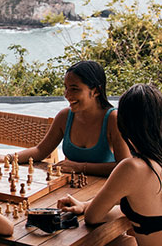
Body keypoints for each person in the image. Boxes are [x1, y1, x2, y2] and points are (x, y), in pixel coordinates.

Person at [57, 84, 162, 246]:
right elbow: (144, 202)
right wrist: (85, 205)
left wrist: (89, 208)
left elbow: (93, 217)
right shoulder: (155, 163)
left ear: (125, 125)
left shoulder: (132, 168)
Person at [0, 60, 130, 176]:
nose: (67, 95)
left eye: (74, 89)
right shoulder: (65, 116)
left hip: (103, 192)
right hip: (71, 188)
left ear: (96, 91)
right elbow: (40, 151)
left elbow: (125, 167)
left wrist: (80, 167)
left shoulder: (113, 119)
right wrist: (9, 158)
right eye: (66, 88)